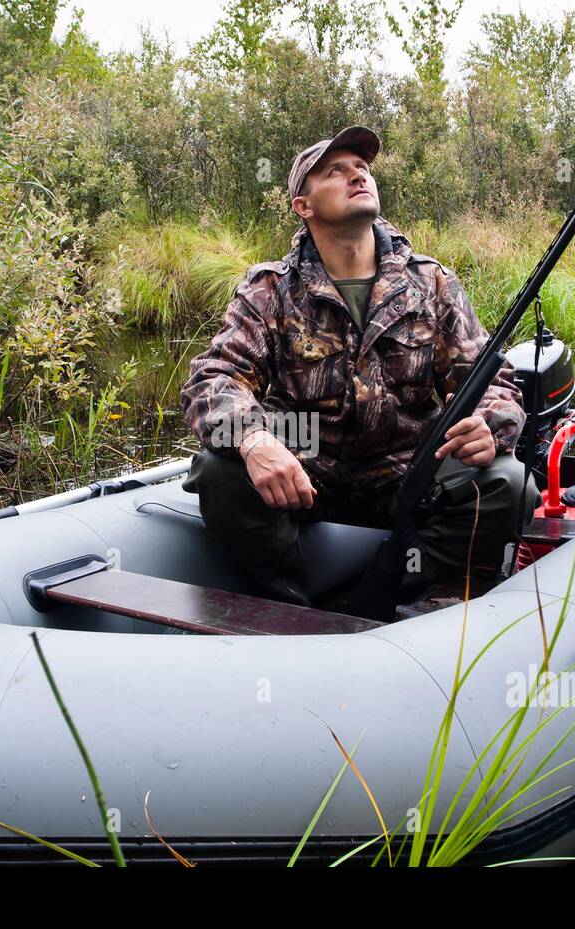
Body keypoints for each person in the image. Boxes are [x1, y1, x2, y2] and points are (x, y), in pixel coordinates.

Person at [180, 126, 538, 608]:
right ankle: (294, 598)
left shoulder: (430, 282)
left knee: (509, 485)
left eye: (363, 169)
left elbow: (492, 380)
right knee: (216, 470)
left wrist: (490, 426)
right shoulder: (270, 290)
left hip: (407, 464)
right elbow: (212, 378)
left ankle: (399, 590)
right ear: (303, 206)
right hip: (306, 467)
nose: (357, 177)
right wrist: (255, 439)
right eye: (336, 171)